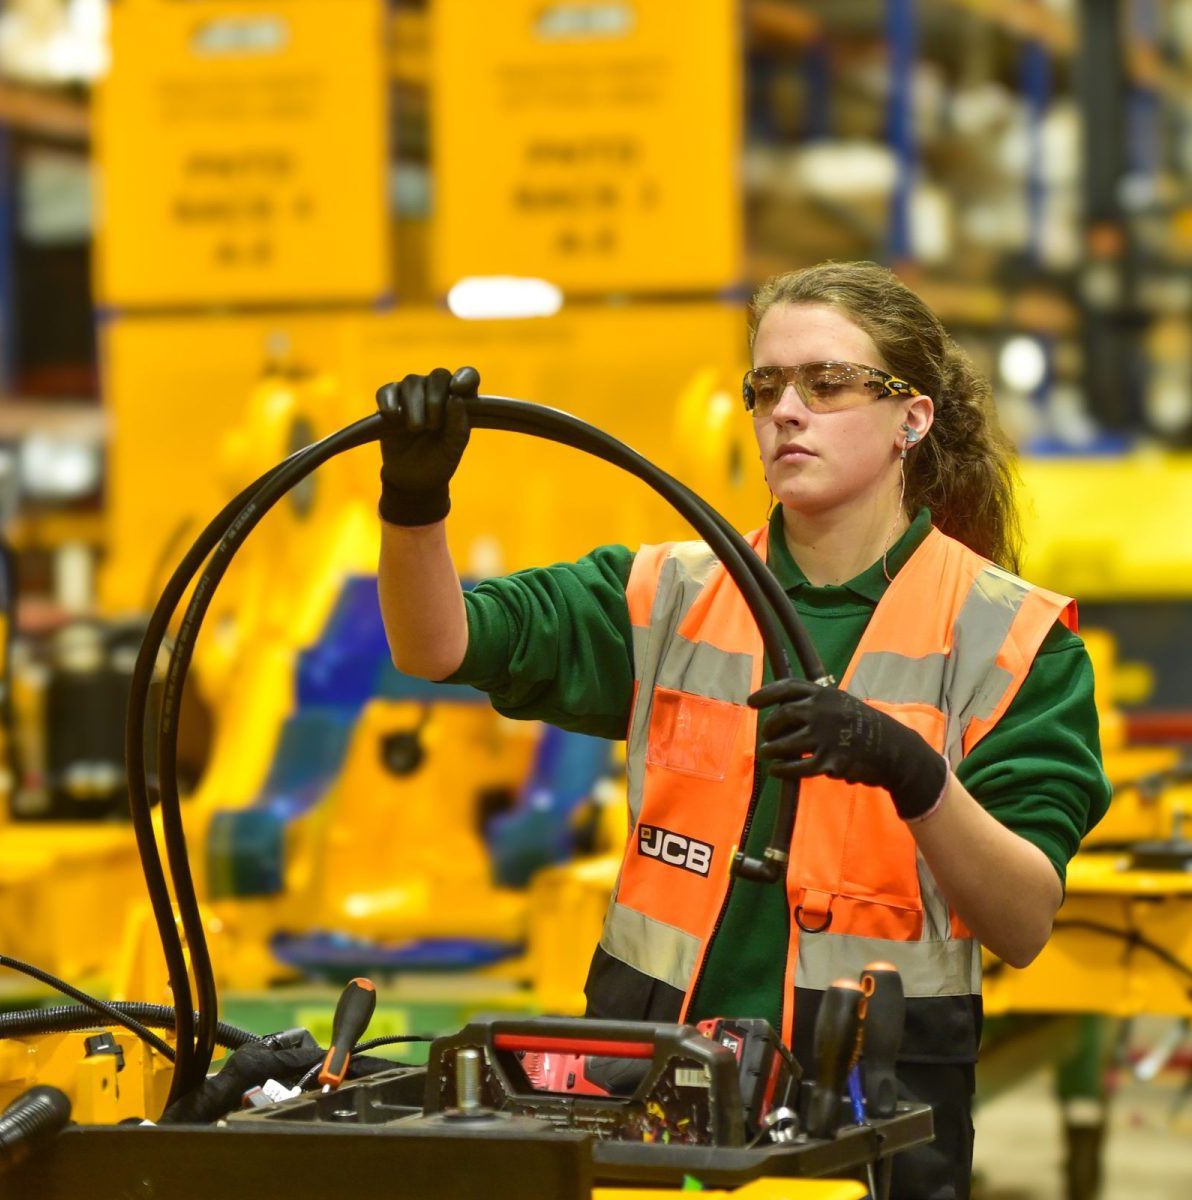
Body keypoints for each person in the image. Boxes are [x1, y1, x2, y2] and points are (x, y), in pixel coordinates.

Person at [373, 260, 1110, 1199]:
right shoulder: (665, 592)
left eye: (827, 383)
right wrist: (413, 509)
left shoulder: (1012, 638)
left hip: (869, 1119)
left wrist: (911, 771)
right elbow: (436, 643)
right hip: (647, 1096)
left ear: (911, 419)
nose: (786, 411)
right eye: (766, 387)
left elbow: (1022, 919)